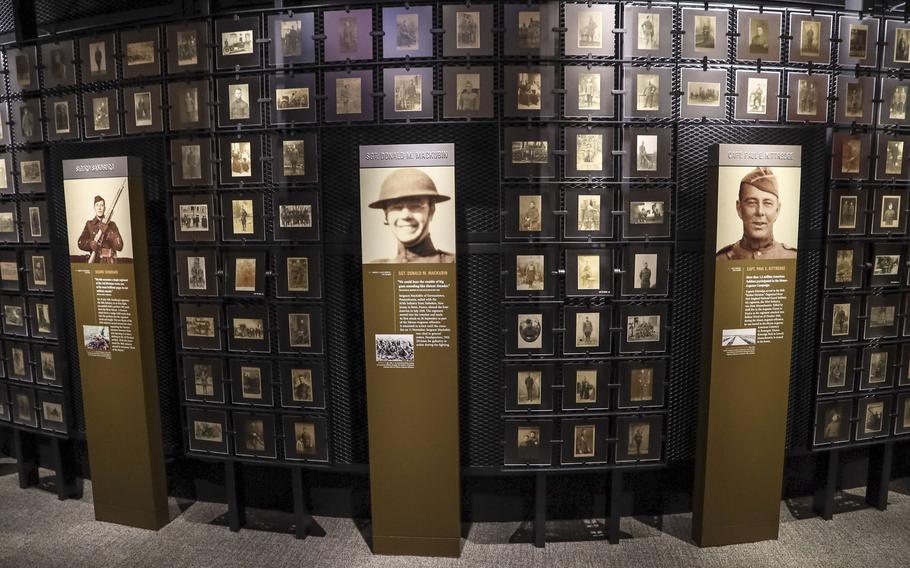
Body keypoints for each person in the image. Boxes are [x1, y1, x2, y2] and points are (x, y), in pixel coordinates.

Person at [367, 168, 454, 263]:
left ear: (431, 211)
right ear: (386, 215)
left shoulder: (452, 263)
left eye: (416, 206)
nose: (405, 215)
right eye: (396, 207)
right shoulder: (376, 269)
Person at [716, 167, 797, 260]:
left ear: (777, 210)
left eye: (767, 203)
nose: (760, 212)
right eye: (751, 203)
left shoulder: (792, 258)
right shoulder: (721, 259)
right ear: (739, 208)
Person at [77, 195, 123, 263]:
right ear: (94, 208)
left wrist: (108, 232)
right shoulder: (89, 224)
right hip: (95, 261)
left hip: (110, 263)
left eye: (101, 205)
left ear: (104, 208)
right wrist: (90, 243)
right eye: (97, 205)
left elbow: (119, 246)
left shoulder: (112, 225)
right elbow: (80, 242)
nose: (99, 208)